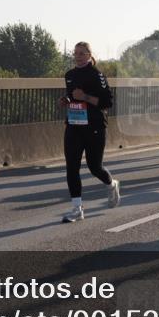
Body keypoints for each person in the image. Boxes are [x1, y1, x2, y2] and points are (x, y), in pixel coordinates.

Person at [58, 41, 120, 223]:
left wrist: (84, 97)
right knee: (71, 167)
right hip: (74, 125)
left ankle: (111, 184)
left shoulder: (97, 75)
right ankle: (77, 208)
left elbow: (107, 102)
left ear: (89, 55)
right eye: (76, 53)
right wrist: (66, 100)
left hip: (94, 127)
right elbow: (72, 95)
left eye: (82, 53)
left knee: (95, 167)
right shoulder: (69, 75)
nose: (78, 56)